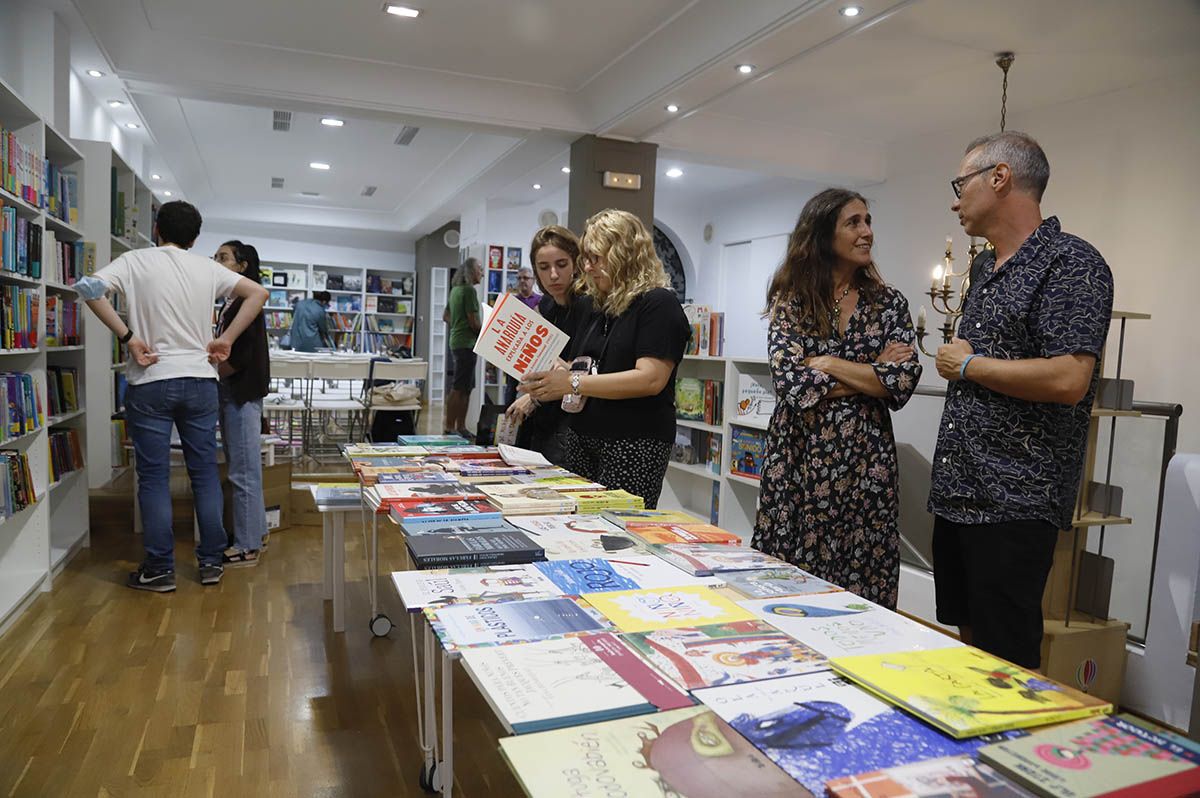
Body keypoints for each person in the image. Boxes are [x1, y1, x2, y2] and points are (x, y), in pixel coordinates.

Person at [930, 131, 1113, 669]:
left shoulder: (1071, 263)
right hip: (958, 492)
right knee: (971, 648)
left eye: (960, 184)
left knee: (1007, 656)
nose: (955, 198)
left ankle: (1011, 751)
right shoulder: (984, 269)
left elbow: (1068, 378)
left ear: (1000, 177)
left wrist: (967, 366)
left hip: (1014, 499)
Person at [75, 201, 269, 592]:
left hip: (151, 379)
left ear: (157, 229)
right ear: (195, 238)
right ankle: (211, 561)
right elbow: (258, 293)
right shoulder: (208, 268)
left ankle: (160, 568)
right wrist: (226, 340)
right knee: (204, 475)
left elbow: (88, 288)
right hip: (200, 381)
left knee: (154, 478)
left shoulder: (134, 261)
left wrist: (129, 338)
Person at [751, 188, 922, 610]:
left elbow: (901, 380)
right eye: (854, 222)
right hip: (799, 462)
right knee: (790, 584)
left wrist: (827, 362)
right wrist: (871, 371)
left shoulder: (889, 303)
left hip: (867, 465)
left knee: (864, 587)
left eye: (868, 221)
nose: (866, 232)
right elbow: (792, 384)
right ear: (823, 234)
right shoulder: (791, 301)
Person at [520, 209, 688, 508]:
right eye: (585, 258)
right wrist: (553, 375)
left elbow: (650, 378)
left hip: (632, 442)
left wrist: (570, 381)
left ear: (625, 254)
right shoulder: (603, 306)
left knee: (619, 529)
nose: (587, 267)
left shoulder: (658, 303)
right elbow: (590, 367)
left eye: (595, 258)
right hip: (583, 437)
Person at [505, 226, 595, 464]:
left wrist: (534, 398)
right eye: (544, 268)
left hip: (574, 424)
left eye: (562, 264)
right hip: (545, 419)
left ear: (576, 263)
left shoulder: (588, 306)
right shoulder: (547, 306)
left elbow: (587, 371)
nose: (553, 275)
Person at [213, 240, 271, 566]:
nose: (216, 263)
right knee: (246, 468)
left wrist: (210, 372)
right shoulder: (232, 303)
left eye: (223, 258)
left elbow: (242, 356)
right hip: (239, 393)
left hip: (240, 393)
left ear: (242, 266)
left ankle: (247, 545)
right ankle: (257, 533)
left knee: (243, 471)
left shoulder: (244, 303)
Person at [443, 257, 483, 437]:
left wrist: (458, 325)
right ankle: (452, 426)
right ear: (471, 272)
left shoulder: (455, 290)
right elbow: (474, 322)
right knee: (460, 387)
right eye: (479, 269)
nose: (482, 272)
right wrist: (486, 333)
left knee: (465, 386)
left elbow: (446, 316)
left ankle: (460, 427)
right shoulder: (469, 291)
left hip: (457, 342)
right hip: (466, 344)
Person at [503, 265, 544, 404]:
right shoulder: (511, 301)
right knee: (511, 388)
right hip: (514, 353)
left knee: (532, 387)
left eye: (526, 278)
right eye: (519, 278)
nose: (522, 281)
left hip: (533, 352)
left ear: (533, 280)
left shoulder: (541, 301)